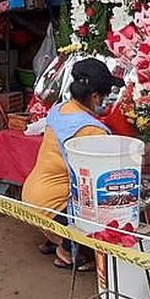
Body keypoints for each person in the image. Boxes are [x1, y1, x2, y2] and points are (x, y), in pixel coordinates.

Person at [22, 58, 124, 271]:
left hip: (31, 195)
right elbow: (109, 170)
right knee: (102, 199)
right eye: (105, 95)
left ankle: (52, 237)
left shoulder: (60, 110)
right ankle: (67, 251)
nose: (107, 100)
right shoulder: (91, 129)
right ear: (95, 96)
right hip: (52, 205)